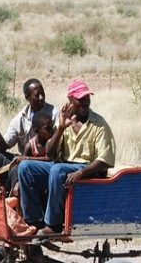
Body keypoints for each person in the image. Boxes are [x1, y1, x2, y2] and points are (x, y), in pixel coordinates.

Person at [16, 79, 116, 236]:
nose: (86, 102)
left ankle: (53, 224)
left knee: (57, 169)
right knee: (25, 167)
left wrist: (81, 173)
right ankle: (34, 220)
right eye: (81, 99)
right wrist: (61, 128)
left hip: (86, 169)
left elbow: (104, 160)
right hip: (63, 167)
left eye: (87, 98)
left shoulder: (99, 124)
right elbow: (50, 153)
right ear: (70, 101)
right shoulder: (64, 121)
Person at [0, 78, 58, 192]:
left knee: (20, 166)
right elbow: (3, 147)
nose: (41, 98)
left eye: (42, 94)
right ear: (27, 97)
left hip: (43, 162)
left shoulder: (54, 113)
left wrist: (24, 159)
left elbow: (53, 154)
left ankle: (13, 201)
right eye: (37, 95)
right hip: (23, 158)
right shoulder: (20, 119)